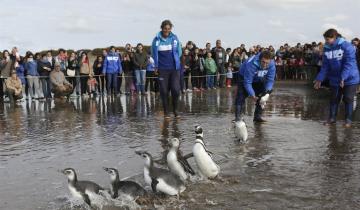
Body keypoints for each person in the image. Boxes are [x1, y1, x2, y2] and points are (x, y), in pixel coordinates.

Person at [314, 29, 360, 128]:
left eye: (328, 39)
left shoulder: (347, 46)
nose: (326, 41)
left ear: (335, 37)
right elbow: (325, 66)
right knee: (334, 98)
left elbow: (349, 64)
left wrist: (343, 77)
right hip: (334, 78)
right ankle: (332, 118)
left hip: (350, 78)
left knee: (348, 98)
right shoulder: (327, 48)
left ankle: (348, 120)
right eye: (325, 39)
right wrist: (319, 79)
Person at [151, 19, 182, 118]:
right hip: (162, 69)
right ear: (162, 28)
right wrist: (156, 65)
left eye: (169, 29)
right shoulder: (156, 40)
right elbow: (153, 53)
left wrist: (176, 60)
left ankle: (175, 110)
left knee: (176, 89)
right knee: (164, 91)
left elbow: (179, 51)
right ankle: (166, 112)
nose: (167, 30)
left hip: (174, 68)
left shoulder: (174, 38)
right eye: (165, 29)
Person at [235, 50, 276, 123]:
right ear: (259, 59)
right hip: (244, 76)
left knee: (263, 95)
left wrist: (267, 93)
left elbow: (270, 80)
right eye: (263, 62)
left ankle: (257, 116)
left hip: (260, 77)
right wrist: (252, 95)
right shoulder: (251, 64)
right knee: (241, 96)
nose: (265, 65)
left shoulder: (272, 64)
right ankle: (238, 117)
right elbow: (248, 82)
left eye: (267, 63)